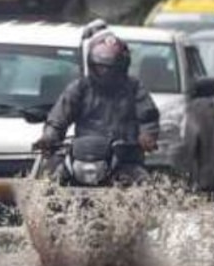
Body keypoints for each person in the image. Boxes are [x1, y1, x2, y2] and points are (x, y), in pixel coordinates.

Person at [33, 33, 160, 183]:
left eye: (110, 68)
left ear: (122, 66)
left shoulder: (134, 88)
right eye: (100, 67)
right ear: (91, 64)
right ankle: (43, 205)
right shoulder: (79, 87)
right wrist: (49, 137)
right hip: (82, 156)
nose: (105, 72)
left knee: (144, 183)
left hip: (125, 157)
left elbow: (148, 117)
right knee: (50, 177)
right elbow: (59, 117)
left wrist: (147, 136)